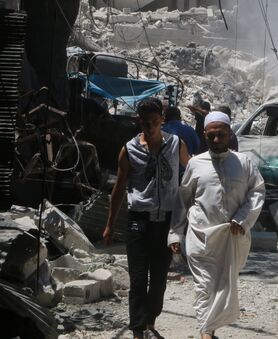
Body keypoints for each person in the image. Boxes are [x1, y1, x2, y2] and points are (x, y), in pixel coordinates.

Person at [168, 111, 265, 339]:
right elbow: (183, 200)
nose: (216, 140)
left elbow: (257, 191)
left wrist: (243, 219)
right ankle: (206, 333)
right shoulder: (195, 164)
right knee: (203, 286)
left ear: (230, 134)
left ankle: (209, 328)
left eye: (221, 135)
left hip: (233, 238)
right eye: (211, 136)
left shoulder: (244, 163)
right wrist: (175, 234)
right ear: (204, 135)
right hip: (200, 236)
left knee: (223, 286)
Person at [102, 98, 190, 339]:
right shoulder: (129, 149)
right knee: (138, 278)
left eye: (154, 122)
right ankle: (138, 330)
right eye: (145, 123)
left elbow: (193, 173)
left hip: (166, 222)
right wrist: (109, 224)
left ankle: (150, 321)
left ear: (162, 119)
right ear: (138, 121)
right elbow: (119, 188)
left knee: (159, 279)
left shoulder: (176, 145)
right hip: (138, 220)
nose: (150, 127)